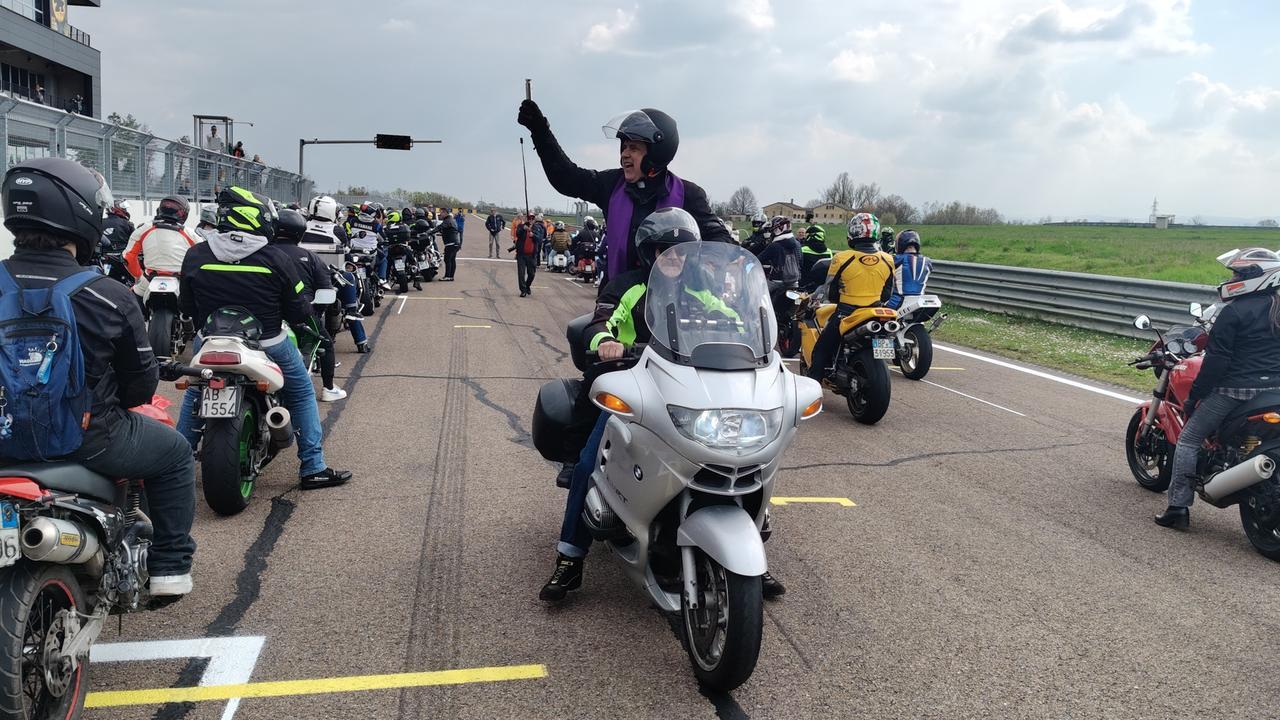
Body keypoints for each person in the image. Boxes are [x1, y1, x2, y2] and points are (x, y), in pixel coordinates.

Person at [539, 207, 785, 601]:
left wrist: (755, 334)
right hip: (638, 388)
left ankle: (750, 555)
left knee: (739, 457)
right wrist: (606, 342)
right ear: (649, 254)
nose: (673, 260)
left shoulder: (700, 292)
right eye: (664, 253)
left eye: (680, 253)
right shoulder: (628, 287)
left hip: (690, 388)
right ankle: (570, 557)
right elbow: (601, 321)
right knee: (591, 460)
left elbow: (735, 320)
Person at [1, 157, 196, 596]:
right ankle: (170, 568)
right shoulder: (108, 295)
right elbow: (140, 387)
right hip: (89, 439)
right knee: (176, 454)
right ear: (82, 213)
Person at [176, 186, 352, 490]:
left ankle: (173, 466)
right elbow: (298, 311)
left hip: (209, 341)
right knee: (300, 393)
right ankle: (313, 467)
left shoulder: (196, 254)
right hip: (268, 342)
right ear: (255, 219)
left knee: (195, 392)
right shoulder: (276, 258)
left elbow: (186, 307)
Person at [517, 101, 731, 285]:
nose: (625, 155)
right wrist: (540, 131)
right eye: (624, 146)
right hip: (616, 304)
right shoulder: (611, 185)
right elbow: (568, 178)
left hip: (671, 307)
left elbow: (721, 241)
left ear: (657, 154)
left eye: (634, 148)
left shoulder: (688, 194)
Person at [1156, 248, 1280, 530]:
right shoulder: (1277, 308)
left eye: (1238, 273)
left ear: (1255, 278)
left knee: (1189, 439)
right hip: (1274, 390)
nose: (1233, 277)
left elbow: (1216, 362)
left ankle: (1178, 508)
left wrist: (1196, 396)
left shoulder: (1234, 312)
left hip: (1236, 391)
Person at [806, 213, 895, 383]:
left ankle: (813, 386)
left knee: (821, 349)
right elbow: (887, 294)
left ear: (853, 233)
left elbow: (830, 292)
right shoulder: (888, 259)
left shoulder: (841, 258)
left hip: (846, 311)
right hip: (875, 311)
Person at [273, 208, 347, 402]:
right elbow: (325, 290)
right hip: (300, 313)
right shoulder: (311, 258)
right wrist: (315, 313)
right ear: (299, 232)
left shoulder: (261, 254)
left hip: (264, 313)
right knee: (326, 344)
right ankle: (328, 388)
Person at [307, 195, 370, 353]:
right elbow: (346, 249)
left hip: (304, 273)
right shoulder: (337, 230)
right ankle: (357, 329)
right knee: (349, 277)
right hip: (329, 274)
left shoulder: (303, 225)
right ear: (329, 211)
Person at [122, 195, 199, 311]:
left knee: (128, 306)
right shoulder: (190, 233)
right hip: (181, 282)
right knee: (199, 302)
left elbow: (128, 257)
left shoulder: (144, 228)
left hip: (149, 280)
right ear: (184, 214)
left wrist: (139, 276)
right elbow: (203, 256)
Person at [759, 215, 802, 320]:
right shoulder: (797, 244)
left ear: (777, 229)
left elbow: (758, 259)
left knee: (758, 295)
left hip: (778, 282)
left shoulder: (775, 246)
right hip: (795, 282)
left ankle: (761, 319)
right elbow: (800, 262)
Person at [886, 230, 932, 310]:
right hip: (919, 302)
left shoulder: (895, 259)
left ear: (899, 244)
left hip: (898, 302)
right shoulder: (927, 261)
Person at [510, 213, 540, 296]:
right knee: (521, 273)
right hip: (521, 255)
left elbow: (539, 239)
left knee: (532, 274)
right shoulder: (521, 226)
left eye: (532, 218)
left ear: (534, 220)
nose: (530, 220)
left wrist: (533, 235)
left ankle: (527, 286)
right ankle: (523, 290)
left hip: (532, 255)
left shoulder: (536, 228)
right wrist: (524, 228)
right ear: (526, 219)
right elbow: (518, 234)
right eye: (529, 218)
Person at [437, 210, 460, 281]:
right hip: (456, 243)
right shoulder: (452, 220)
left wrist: (429, 232)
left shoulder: (447, 220)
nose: (440, 214)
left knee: (447, 259)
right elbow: (450, 230)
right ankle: (451, 276)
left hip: (451, 244)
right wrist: (442, 233)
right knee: (452, 260)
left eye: (441, 213)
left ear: (445, 213)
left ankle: (447, 276)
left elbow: (439, 227)